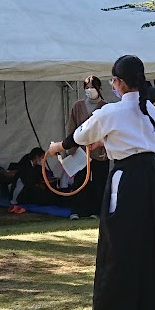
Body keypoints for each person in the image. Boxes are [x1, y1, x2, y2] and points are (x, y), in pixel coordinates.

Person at [48, 55, 155, 310]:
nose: (112, 84)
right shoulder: (149, 107)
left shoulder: (111, 112)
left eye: (114, 80)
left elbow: (79, 136)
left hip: (125, 180)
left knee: (118, 242)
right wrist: (107, 139)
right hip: (151, 181)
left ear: (120, 82)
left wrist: (56, 147)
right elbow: (132, 134)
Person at [66, 75, 109, 220]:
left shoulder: (106, 107)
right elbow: (71, 127)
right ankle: (77, 210)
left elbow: (109, 130)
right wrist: (71, 148)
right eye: (87, 88)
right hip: (81, 151)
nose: (89, 90)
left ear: (99, 89)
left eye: (92, 87)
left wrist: (105, 147)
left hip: (100, 151)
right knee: (79, 181)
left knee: (99, 182)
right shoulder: (77, 106)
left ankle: (97, 211)